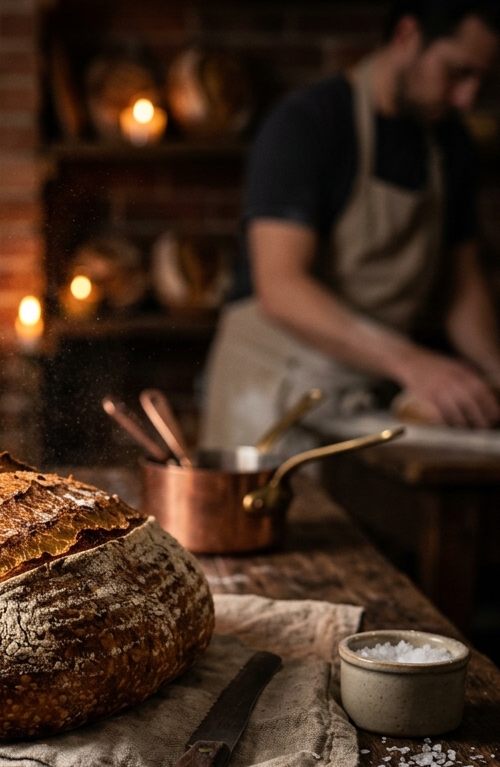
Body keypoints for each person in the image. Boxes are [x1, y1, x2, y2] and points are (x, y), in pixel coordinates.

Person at [202, 0, 500, 449]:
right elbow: (280, 286)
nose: (467, 97)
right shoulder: (307, 125)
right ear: (407, 35)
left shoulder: (451, 145)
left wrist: (496, 371)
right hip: (269, 396)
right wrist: (414, 364)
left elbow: (462, 289)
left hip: (368, 400)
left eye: (481, 78)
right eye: (458, 72)